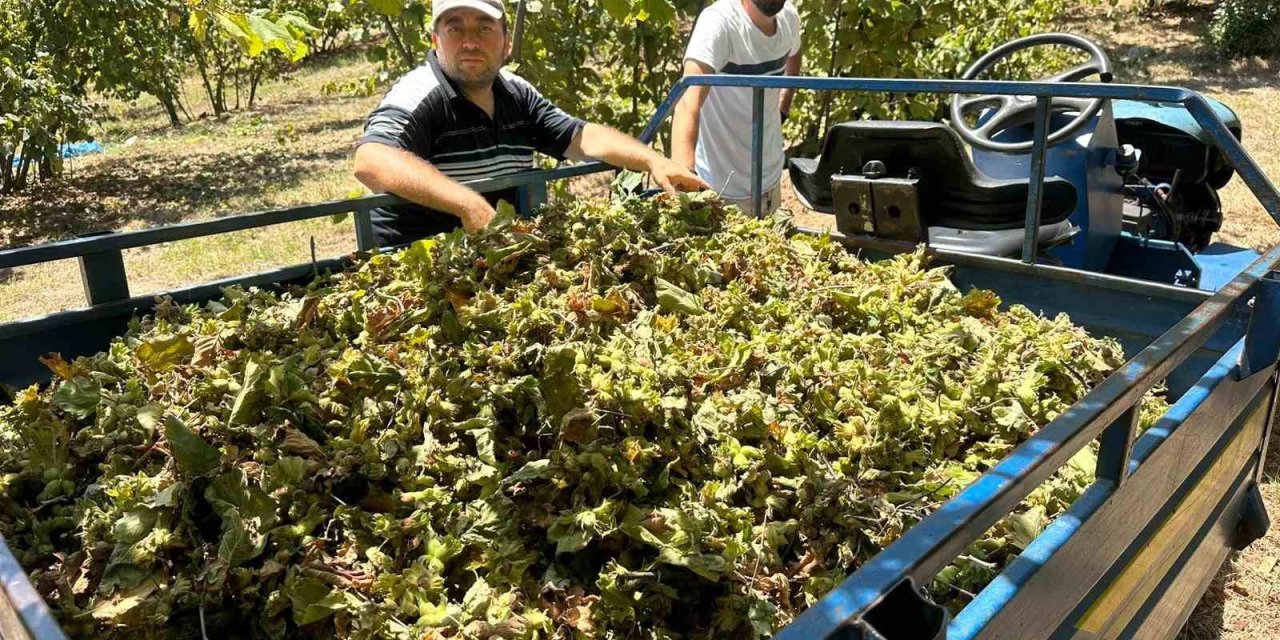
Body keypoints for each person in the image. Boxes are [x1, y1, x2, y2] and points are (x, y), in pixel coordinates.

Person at [354, 0, 708, 246]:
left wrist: (652, 159)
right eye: (455, 28)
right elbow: (371, 161)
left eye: (484, 28)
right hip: (423, 263)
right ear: (436, 41)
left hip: (497, 253)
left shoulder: (515, 92)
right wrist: (470, 204)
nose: (470, 41)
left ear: (505, 42)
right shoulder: (419, 92)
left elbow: (580, 136)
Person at [671, 0, 802, 215]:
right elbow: (687, 102)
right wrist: (685, 183)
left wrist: (783, 109)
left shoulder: (789, 17)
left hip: (770, 179)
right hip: (720, 190)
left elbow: (794, 54)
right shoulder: (719, 23)